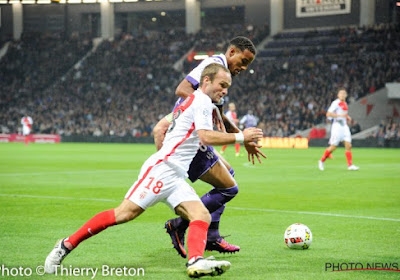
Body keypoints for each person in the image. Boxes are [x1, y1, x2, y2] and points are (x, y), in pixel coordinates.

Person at [44, 64, 264, 278]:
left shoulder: (196, 100)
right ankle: (65, 245)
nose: (225, 91)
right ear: (206, 80)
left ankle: (195, 261)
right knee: (124, 214)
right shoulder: (202, 102)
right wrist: (241, 137)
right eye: (222, 84)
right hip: (162, 170)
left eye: (228, 87)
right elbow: (206, 136)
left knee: (201, 215)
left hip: (176, 175)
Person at [153, 37, 266, 258]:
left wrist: (243, 139)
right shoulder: (213, 65)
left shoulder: (221, 75)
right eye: (243, 61)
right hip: (190, 137)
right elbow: (183, 89)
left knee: (229, 175)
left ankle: (211, 235)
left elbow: (220, 115)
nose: (243, 68)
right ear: (232, 51)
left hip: (193, 135)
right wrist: (207, 113)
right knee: (229, 188)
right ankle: (180, 225)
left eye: (247, 65)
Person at [318, 89, 359, 171]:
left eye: (344, 93)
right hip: (337, 127)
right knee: (333, 147)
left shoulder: (345, 103)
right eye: (341, 93)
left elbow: (344, 114)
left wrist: (347, 117)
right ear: (338, 95)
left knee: (348, 145)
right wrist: (340, 115)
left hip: (344, 127)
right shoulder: (336, 103)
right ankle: (321, 161)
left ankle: (350, 165)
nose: (342, 95)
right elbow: (328, 114)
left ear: (346, 95)